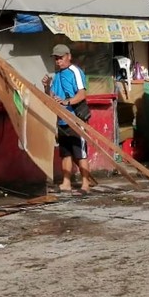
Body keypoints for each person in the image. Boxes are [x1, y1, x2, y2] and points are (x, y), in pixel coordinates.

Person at [41, 44, 96, 193]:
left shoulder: (75, 72)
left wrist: (67, 102)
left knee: (80, 153)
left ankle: (85, 184)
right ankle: (66, 183)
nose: (58, 61)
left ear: (68, 56)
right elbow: (52, 98)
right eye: (56, 58)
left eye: (61, 58)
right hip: (61, 120)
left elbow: (82, 94)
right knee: (65, 153)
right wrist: (46, 87)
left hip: (76, 119)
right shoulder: (57, 75)